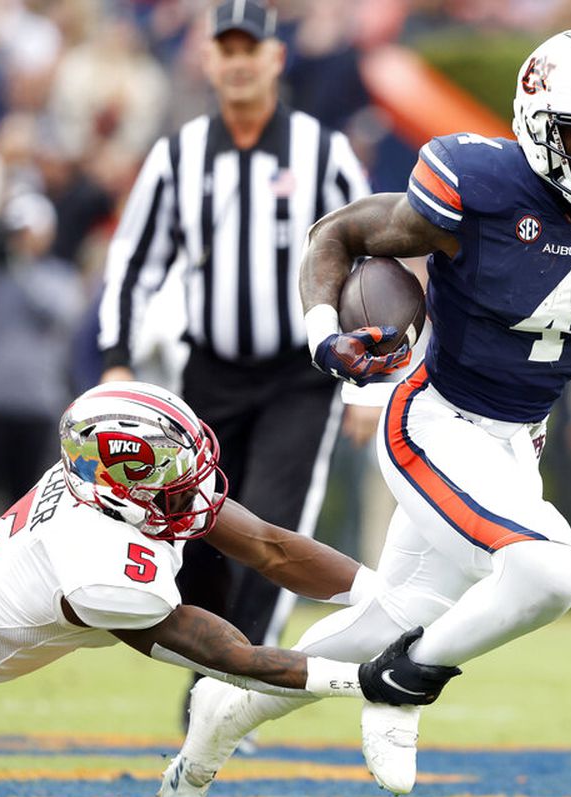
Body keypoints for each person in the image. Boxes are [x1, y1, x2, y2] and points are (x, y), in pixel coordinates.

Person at [155, 28, 571, 797]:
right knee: (554, 574)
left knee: (401, 612)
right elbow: (338, 236)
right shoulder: (479, 183)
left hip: (519, 443)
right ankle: (403, 685)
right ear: (539, 125)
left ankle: (229, 706)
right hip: (433, 419)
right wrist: (324, 337)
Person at [0, 381, 459, 751]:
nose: (188, 484)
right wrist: (365, 681)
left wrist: (381, 596)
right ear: (120, 484)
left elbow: (269, 546)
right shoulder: (102, 572)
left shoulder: (100, 487)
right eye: (166, 472)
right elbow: (235, 659)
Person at [96, 0, 371, 725]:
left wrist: (379, 379)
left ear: (277, 58)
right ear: (209, 59)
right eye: (228, 47)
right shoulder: (179, 155)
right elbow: (133, 263)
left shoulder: (322, 151)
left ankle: (231, 689)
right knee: (197, 536)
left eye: (253, 47)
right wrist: (117, 362)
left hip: (298, 375)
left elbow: (375, 263)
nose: (241, 59)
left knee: (275, 524)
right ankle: (216, 668)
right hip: (208, 373)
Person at [0, 192, 84, 531]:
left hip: (33, 404)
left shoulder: (57, 275)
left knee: (26, 500)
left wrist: (20, 266)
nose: (21, 241)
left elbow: (62, 313)